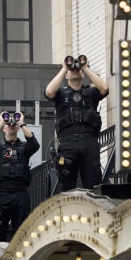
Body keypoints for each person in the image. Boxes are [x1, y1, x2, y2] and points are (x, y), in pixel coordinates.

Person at [44, 55, 109, 192]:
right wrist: (64, 69)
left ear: (83, 73)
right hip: (68, 145)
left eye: (77, 69)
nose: (74, 70)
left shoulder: (90, 92)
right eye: (71, 70)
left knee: (93, 184)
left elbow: (104, 88)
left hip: (89, 143)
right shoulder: (61, 93)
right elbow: (49, 91)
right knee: (66, 185)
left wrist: (84, 66)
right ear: (66, 75)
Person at [0, 111, 40, 242]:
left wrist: (22, 123)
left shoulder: (24, 147)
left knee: (22, 232)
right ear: (4, 128)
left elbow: (35, 144)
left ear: (18, 128)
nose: (11, 125)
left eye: (14, 125)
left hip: (20, 193)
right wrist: (2, 121)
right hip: (2, 194)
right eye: (8, 124)